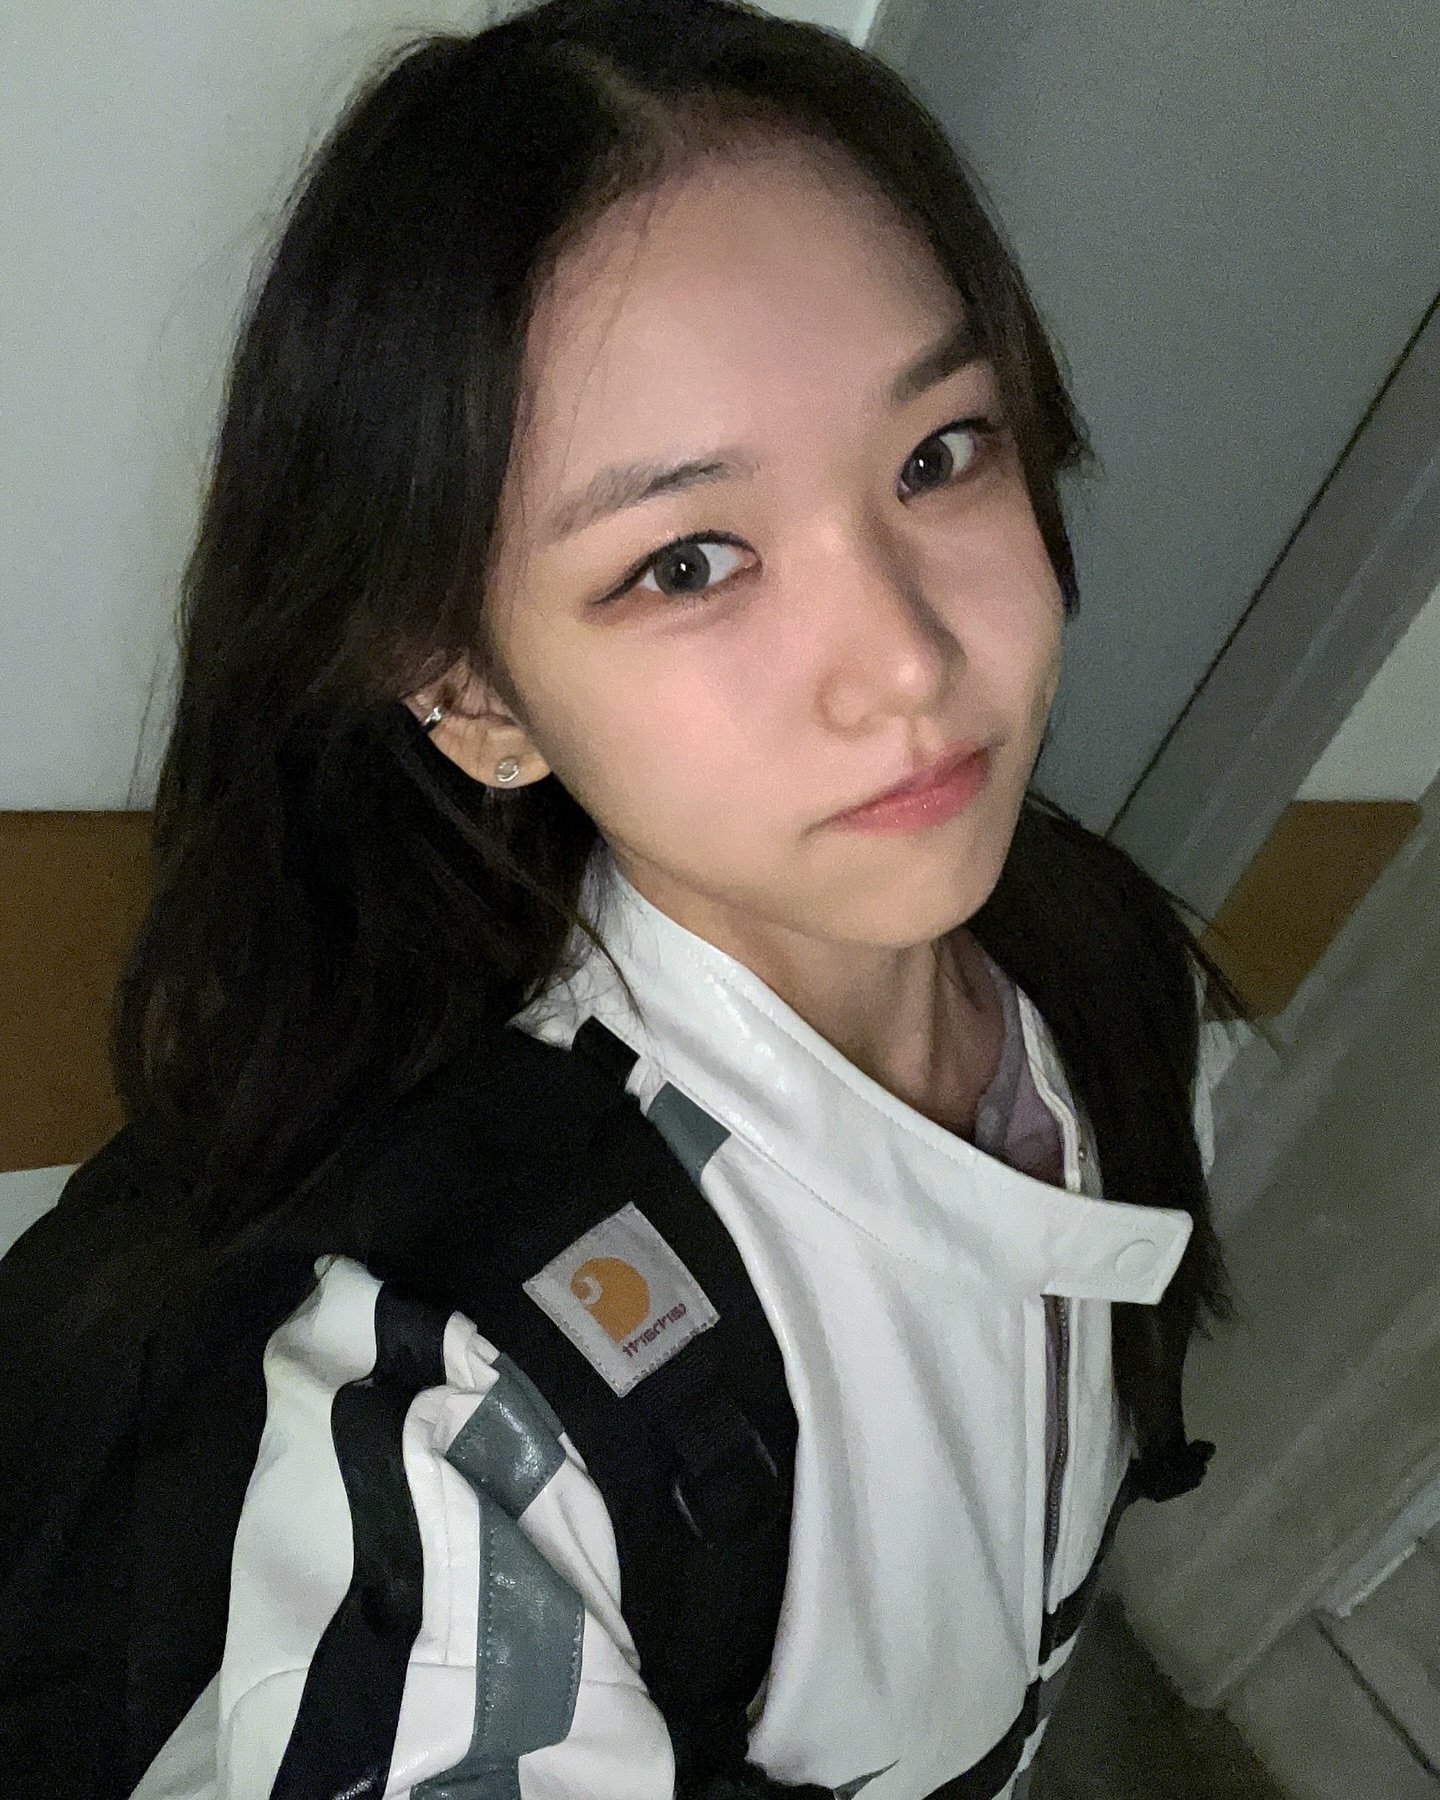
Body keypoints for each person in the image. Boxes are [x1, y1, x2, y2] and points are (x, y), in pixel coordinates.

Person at [0, 2, 1252, 1796]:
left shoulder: (1107, 972)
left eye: (940, 453)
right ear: (472, 695)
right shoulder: (470, 1402)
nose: (908, 662)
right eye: (688, 561)